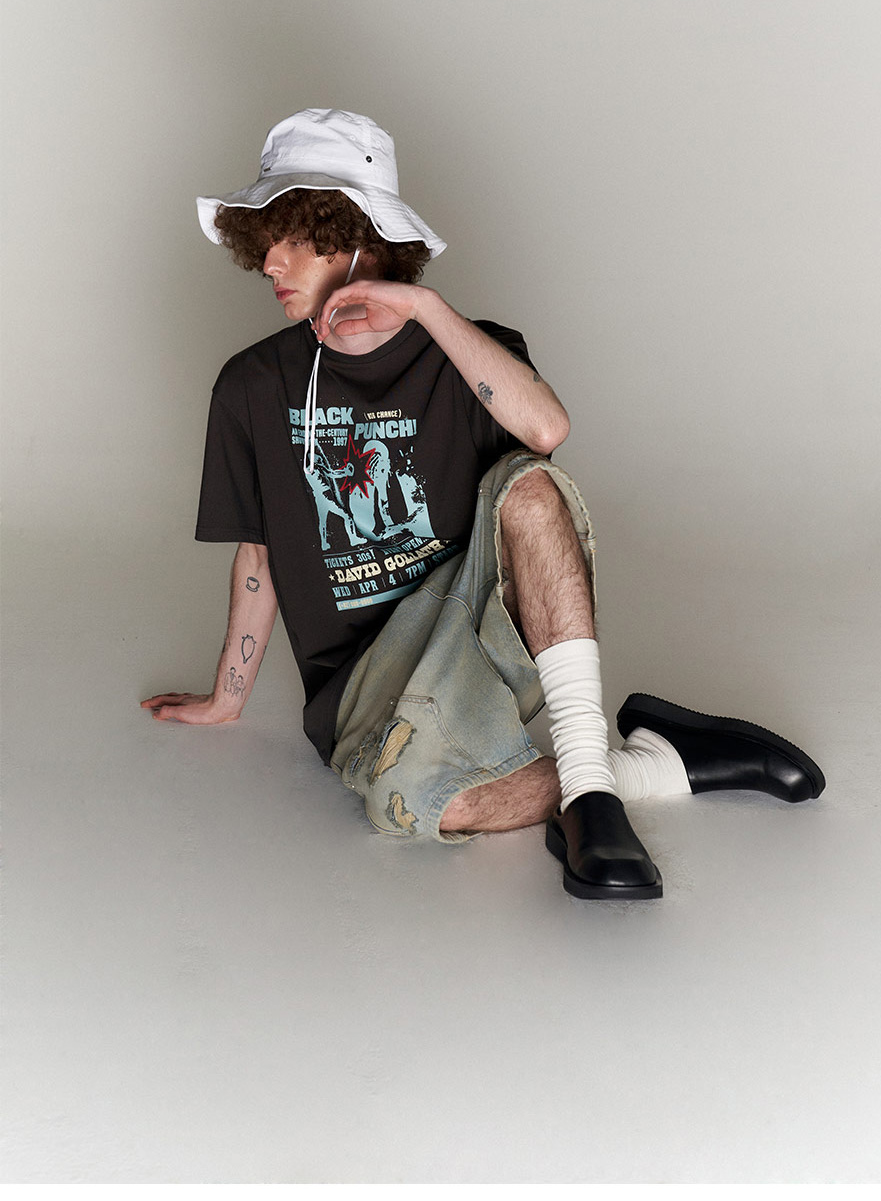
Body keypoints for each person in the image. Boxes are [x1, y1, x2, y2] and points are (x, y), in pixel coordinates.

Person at [143, 105, 826, 893]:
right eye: (263, 239)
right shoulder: (251, 386)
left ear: (356, 234)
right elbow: (259, 553)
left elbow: (546, 430)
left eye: (293, 235)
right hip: (360, 683)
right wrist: (226, 699)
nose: (269, 261)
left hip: (478, 628)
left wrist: (426, 308)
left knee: (529, 485)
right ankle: (652, 764)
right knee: (412, 805)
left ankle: (589, 792)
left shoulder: (472, 352)